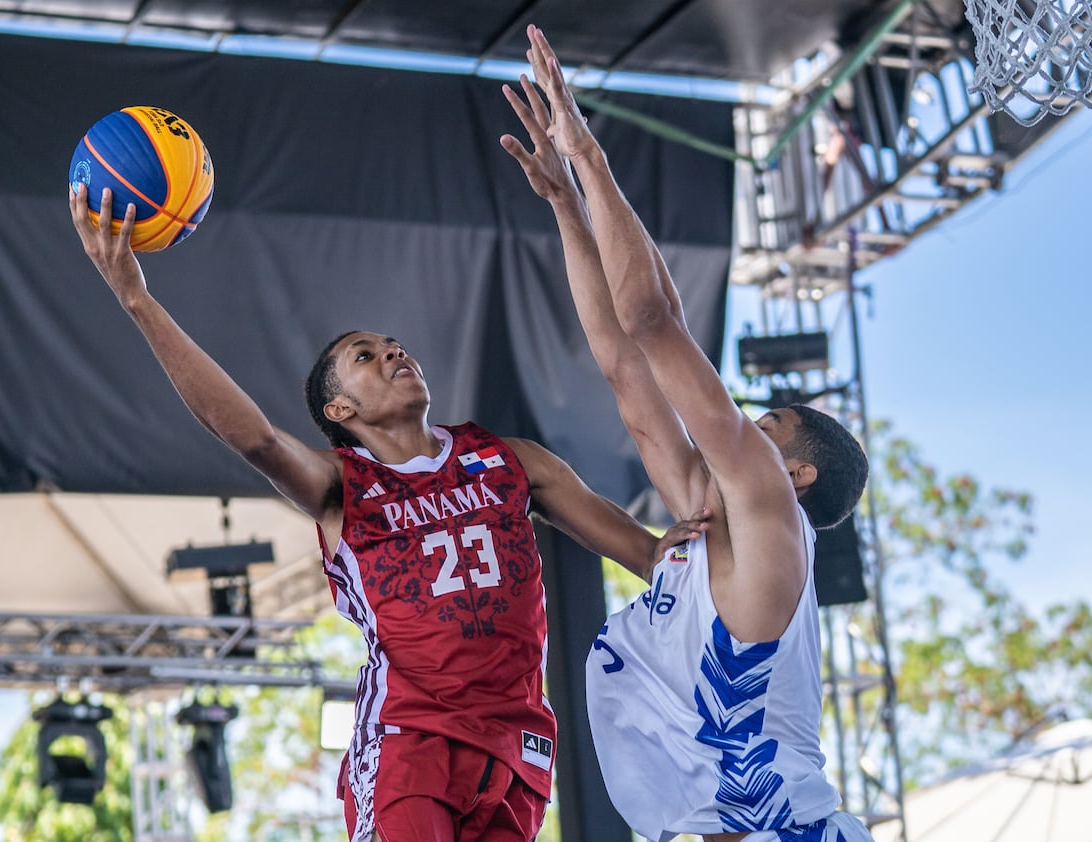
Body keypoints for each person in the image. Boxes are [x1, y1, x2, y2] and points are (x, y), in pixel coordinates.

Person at [68, 183, 704, 842]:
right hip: (412, 739)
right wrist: (137, 299)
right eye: (365, 357)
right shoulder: (345, 485)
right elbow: (252, 436)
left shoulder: (512, 460)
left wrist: (699, 542)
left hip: (519, 745)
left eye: (393, 345)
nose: (393, 353)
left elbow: (646, 554)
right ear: (341, 411)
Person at [500, 25, 874, 842]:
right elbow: (622, 365)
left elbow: (650, 318)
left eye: (766, 422)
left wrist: (588, 157)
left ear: (797, 473)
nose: (740, 423)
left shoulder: (766, 503)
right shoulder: (702, 532)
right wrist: (564, 201)